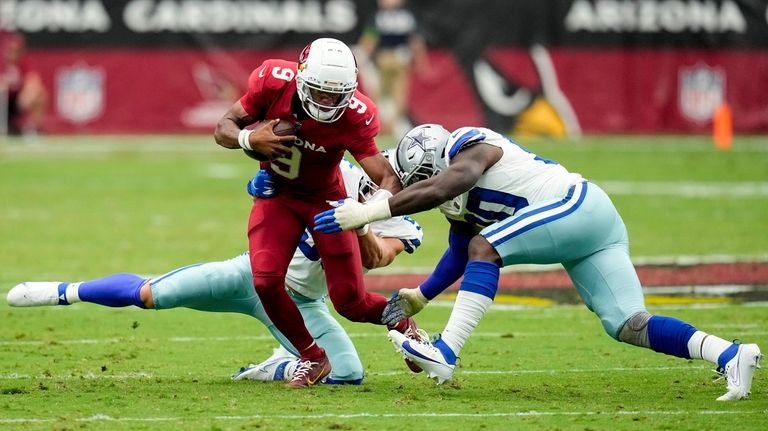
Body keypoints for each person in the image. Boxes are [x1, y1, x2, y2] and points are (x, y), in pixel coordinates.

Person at [313, 124, 763, 401]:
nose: (413, 191)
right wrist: (421, 296)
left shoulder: (471, 147)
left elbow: (454, 187)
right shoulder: (455, 198)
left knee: (487, 247)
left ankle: (446, 353)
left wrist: (373, 212)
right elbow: (458, 250)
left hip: (576, 205)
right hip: (589, 228)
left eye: (416, 182)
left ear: (433, 167)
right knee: (628, 323)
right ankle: (729, 354)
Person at [7, 159, 424, 385]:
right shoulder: (340, 174)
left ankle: (277, 364)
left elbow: (376, 259)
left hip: (304, 303)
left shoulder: (406, 224)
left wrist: (362, 219)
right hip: (251, 275)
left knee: (349, 374)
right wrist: (261, 182)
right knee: (153, 295)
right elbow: (273, 182)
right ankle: (63, 291)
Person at [212, 37, 425, 388]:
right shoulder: (272, 80)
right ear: (301, 78)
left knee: (350, 303)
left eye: (336, 95)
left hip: (326, 201)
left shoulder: (356, 114)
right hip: (278, 197)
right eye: (320, 92)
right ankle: (312, 357)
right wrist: (250, 141)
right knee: (264, 281)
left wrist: (366, 213)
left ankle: (401, 320)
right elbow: (224, 127)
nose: (327, 102)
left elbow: (387, 176)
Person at [356, 0, 427, 138]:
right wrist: (362, 56)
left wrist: (420, 61)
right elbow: (370, 39)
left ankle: (391, 126)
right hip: (383, 60)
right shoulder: (378, 16)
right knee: (377, 94)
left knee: (399, 97)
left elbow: (415, 41)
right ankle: (378, 125)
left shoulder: (405, 16)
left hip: (400, 61)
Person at [0, 31, 47, 136]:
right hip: (2, 103)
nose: (13, 53)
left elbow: (34, 80)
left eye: (17, 50)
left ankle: (34, 129)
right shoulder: (1, 62)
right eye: (11, 50)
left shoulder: (26, 61)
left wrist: (26, 94)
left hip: (16, 103)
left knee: (39, 94)